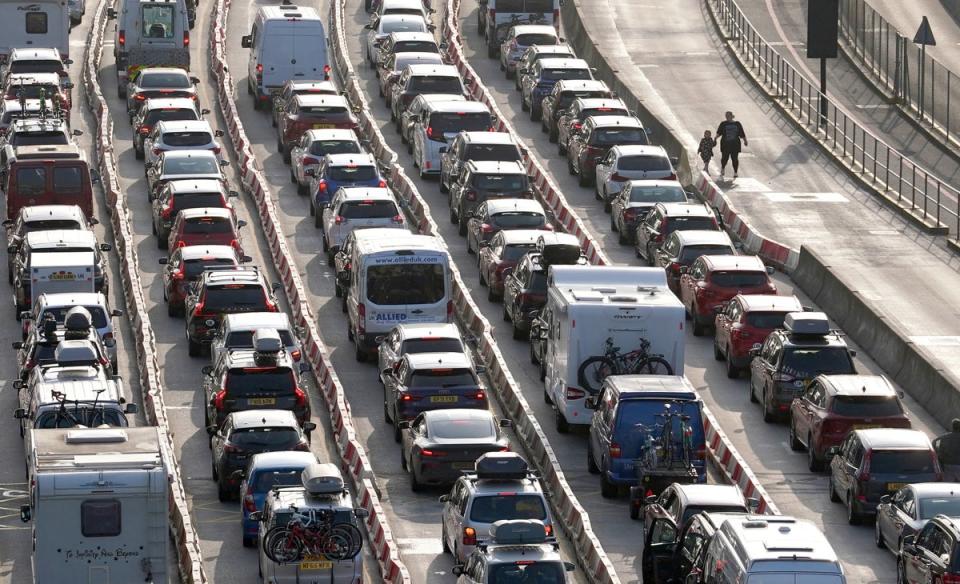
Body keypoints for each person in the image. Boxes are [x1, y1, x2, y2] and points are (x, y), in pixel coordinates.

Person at [715, 111, 747, 179]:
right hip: (725, 144)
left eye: (728, 115)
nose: (727, 116)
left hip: (735, 145)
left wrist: (745, 141)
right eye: (726, 115)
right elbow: (719, 132)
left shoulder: (737, 124)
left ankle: (735, 172)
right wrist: (715, 138)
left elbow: (741, 133)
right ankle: (723, 168)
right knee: (724, 158)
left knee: (734, 158)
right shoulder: (723, 124)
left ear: (732, 116)